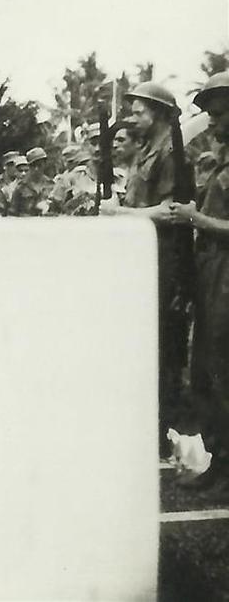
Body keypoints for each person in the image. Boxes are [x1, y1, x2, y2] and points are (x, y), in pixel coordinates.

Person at [100, 81, 193, 451]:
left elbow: (171, 212)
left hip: (164, 261)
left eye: (140, 111)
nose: (133, 117)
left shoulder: (170, 152)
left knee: (161, 347)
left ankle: (159, 434)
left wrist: (119, 214)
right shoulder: (147, 150)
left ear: (159, 114)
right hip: (143, 258)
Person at [168, 72, 229, 491]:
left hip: (226, 278)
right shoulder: (221, 159)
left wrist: (195, 219)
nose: (214, 123)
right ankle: (219, 460)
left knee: (223, 370)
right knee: (206, 371)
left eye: (220, 114)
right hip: (211, 277)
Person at [9, 147, 54, 216]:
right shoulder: (20, 187)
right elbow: (12, 213)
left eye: (39, 165)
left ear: (45, 164)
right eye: (33, 166)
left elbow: (58, 211)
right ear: (29, 166)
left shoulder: (51, 185)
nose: (36, 169)